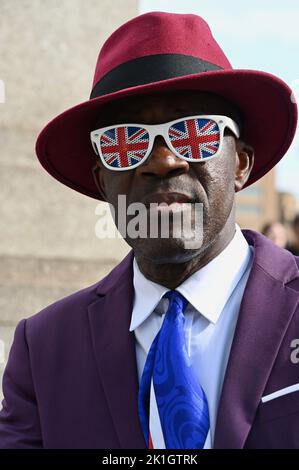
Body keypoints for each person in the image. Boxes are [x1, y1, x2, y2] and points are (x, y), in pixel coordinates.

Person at [0, 11, 299, 449]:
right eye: (126, 141)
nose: (163, 161)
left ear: (240, 164)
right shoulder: (44, 350)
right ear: (104, 183)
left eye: (195, 133)